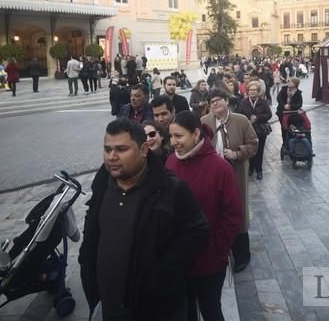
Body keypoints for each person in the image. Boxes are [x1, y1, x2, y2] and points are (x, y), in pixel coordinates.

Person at [78, 118, 209, 321]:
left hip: (156, 309)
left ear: (143, 149)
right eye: (107, 149)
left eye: (121, 149)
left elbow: (198, 231)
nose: (112, 157)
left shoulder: (171, 189)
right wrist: (86, 261)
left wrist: (162, 273)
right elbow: (94, 228)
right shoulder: (102, 183)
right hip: (107, 306)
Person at [167, 111, 243, 321]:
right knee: (185, 311)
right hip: (179, 261)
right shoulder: (171, 163)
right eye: (171, 136)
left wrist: (218, 250)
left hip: (210, 261)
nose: (173, 142)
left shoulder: (220, 168)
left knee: (211, 310)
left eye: (179, 136)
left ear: (196, 133)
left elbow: (233, 215)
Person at [201, 88, 258, 273]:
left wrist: (237, 153)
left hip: (235, 173)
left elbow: (253, 144)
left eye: (218, 100)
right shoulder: (204, 122)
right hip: (212, 176)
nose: (215, 104)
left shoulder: (241, 121)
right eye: (212, 102)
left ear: (227, 101)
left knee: (237, 211)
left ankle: (242, 255)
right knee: (217, 211)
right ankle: (220, 250)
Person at [237, 81, 272, 180]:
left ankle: (259, 170)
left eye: (255, 90)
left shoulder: (263, 102)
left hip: (260, 130)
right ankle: (251, 168)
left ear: (258, 92)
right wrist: (247, 120)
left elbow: (269, 115)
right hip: (248, 131)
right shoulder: (243, 102)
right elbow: (239, 115)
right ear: (248, 91)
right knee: (250, 150)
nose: (252, 92)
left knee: (259, 151)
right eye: (251, 90)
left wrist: (257, 118)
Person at [276, 77, 303, 143]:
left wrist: (291, 106)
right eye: (289, 81)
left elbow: (299, 104)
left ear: (295, 84)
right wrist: (284, 105)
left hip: (293, 114)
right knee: (284, 129)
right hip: (282, 112)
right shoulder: (284, 89)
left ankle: (292, 141)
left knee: (292, 128)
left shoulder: (298, 92)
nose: (289, 82)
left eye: (291, 81)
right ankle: (285, 143)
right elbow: (279, 98)